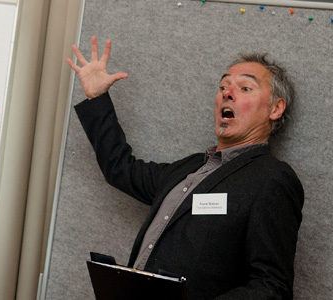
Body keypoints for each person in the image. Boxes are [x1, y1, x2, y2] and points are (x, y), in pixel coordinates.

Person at [67, 36, 304, 299]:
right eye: (223, 86)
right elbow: (121, 169)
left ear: (275, 108)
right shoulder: (188, 169)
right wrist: (97, 97)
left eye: (245, 88)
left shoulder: (272, 179)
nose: (227, 92)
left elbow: (272, 287)